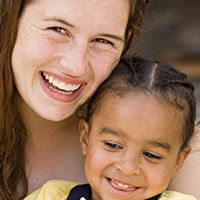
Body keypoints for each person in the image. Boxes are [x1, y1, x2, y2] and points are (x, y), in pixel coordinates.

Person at [0, 0, 148, 199]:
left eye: (103, 41)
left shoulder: (171, 154)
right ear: (10, 21)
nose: (76, 66)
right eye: (57, 29)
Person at [27, 56, 197, 200]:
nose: (128, 168)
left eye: (151, 155)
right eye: (113, 145)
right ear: (86, 137)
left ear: (178, 161)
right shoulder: (51, 196)